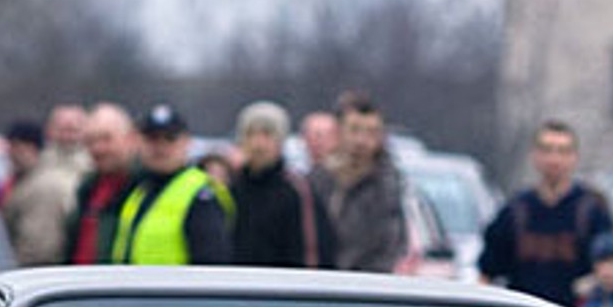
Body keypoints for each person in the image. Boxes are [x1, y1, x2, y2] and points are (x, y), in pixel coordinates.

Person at [478, 120, 613, 305]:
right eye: (547, 150)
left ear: (574, 157)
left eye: (562, 151)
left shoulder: (592, 210)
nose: (554, 159)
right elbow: (487, 273)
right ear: (534, 156)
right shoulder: (516, 210)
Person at [110, 104, 230, 266]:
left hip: (176, 291)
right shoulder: (139, 191)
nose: (160, 147)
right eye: (152, 139)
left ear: (187, 142)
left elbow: (211, 267)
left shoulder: (201, 195)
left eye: (170, 139)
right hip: (135, 289)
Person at [230, 101, 329, 269]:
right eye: (250, 134)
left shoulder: (298, 191)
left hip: (282, 290)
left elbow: (312, 254)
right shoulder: (230, 189)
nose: (258, 144)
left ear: (281, 141)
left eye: (267, 134)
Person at [313, 95, 405, 274]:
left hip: (367, 286)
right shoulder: (317, 180)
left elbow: (389, 245)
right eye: (354, 130)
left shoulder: (388, 187)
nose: (361, 141)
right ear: (339, 132)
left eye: (371, 132)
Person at [66, 103, 138, 265]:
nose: (98, 148)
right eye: (91, 141)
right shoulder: (87, 189)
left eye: (107, 139)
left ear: (131, 139)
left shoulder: (144, 189)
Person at [0, 119, 76, 266]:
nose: (10, 154)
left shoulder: (43, 188)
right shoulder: (25, 180)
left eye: (16, 147)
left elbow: (38, 247)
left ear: (31, 148)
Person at [42, 104, 90, 177]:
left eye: (72, 130)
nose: (66, 137)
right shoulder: (38, 161)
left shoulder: (95, 163)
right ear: (49, 131)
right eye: (61, 130)